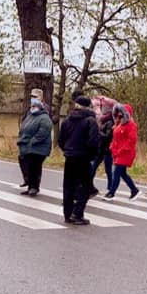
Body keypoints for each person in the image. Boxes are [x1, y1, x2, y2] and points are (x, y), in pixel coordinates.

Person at [58, 95, 100, 224]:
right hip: (83, 158)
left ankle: (67, 213)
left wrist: (67, 150)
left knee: (68, 186)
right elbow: (93, 141)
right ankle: (77, 214)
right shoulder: (90, 121)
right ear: (88, 106)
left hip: (69, 157)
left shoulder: (67, 120)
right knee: (84, 186)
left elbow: (61, 140)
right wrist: (92, 155)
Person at [16, 91, 53, 196]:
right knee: (25, 161)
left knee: (34, 165)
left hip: (38, 146)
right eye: (31, 96)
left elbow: (44, 130)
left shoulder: (44, 111)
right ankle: (29, 183)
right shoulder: (30, 112)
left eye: (35, 97)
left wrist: (32, 141)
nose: (33, 98)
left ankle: (34, 187)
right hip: (28, 143)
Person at [104, 103, 141, 200]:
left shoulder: (131, 125)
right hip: (118, 152)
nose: (119, 115)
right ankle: (134, 190)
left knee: (116, 172)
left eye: (121, 113)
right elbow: (115, 138)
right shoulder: (119, 124)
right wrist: (112, 147)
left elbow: (131, 140)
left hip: (125, 153)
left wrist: (121, 150)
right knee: (122, 173)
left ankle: (111, 193)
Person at [89, 106, 114, 198]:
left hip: (107, 150)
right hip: (100, 149)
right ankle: (90, 186)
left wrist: (99, 132)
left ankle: (110, 188)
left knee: (108, 170)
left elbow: (108, 136)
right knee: (93, 168)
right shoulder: (103, 122)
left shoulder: (110, 122)